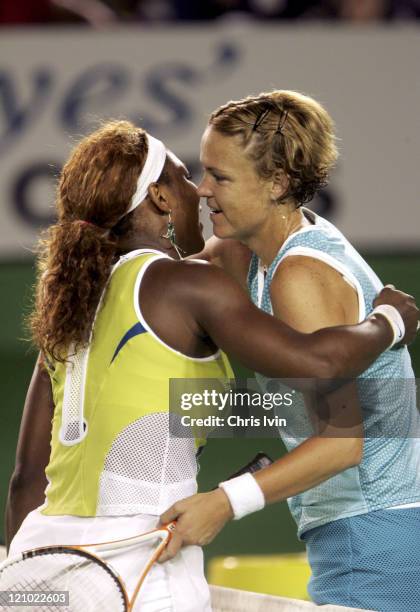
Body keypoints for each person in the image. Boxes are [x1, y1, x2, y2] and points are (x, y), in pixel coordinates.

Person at [5, 119, 417, 611]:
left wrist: (23, 580)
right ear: (158, 197)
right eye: (188, 176)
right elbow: (324, 374)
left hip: (38, 559)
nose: (200, 191)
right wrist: (390, 321)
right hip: (142, 566)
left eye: (217, 177)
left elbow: (28, 479)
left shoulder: (68, 306)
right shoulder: (189, 285)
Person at [159, 91, 420, 612]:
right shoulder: (253, 250)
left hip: (378, 536)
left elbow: (341, 445)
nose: (204, 189)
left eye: (220, 178)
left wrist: (223, 503)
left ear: (277, 183)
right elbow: (174, 260)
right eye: (200, 173)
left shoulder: (299, 275)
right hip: (357, 531)